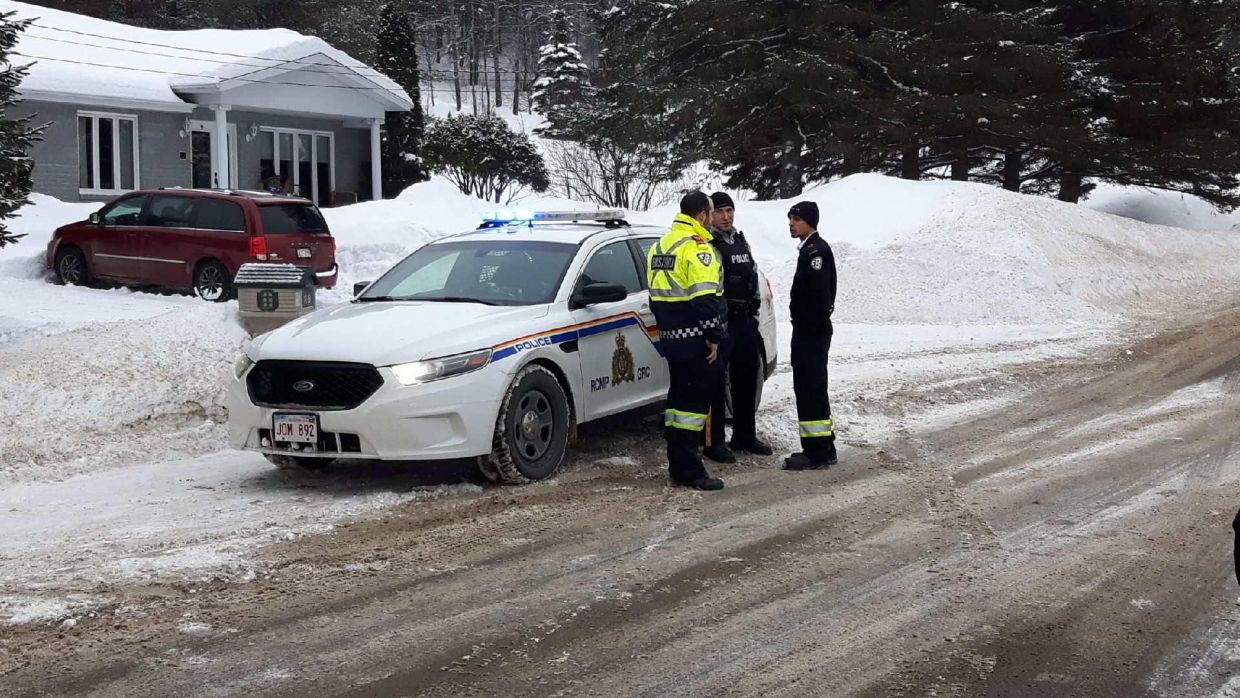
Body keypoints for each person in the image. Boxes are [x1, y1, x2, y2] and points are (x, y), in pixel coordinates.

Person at [646, 191, 728, 490]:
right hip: (695, 341)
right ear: (702, 215)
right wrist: (714, 336)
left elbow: (655, 295)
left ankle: (678, 465)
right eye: (710, 213)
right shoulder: (697, 248)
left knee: (678, 403)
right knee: (693, 408)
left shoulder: (660, 245)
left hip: (672, 339)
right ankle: (691, 470)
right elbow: (705, 298)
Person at [703, 191, 774, 463]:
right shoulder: (709, 245)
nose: (725, 216)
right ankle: (715, 443)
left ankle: (745, 435)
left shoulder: (740, 242)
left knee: (746, 378)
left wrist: (754, 312)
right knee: (716, 383)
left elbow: (752, 274)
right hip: (723, 323)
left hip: (745, 321)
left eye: (729, 211)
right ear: (710, 215)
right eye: (719, 211)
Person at [784, 201, 839, 471]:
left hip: (811, 332)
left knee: (810, 387)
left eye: (796, 219)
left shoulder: (816, 252)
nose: (791, 223)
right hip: (809, 330)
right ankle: (822, 445)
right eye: (790, 218)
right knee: (810, 386)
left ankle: (816, 451)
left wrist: (808, 327)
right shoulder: (809, 249)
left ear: (809, 221)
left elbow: (819, 296)